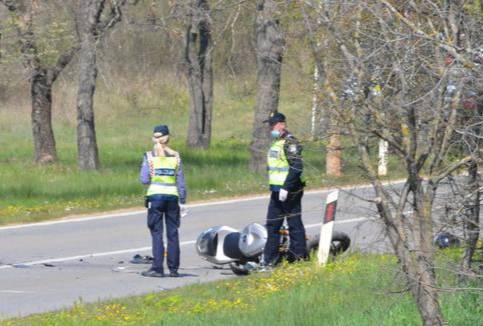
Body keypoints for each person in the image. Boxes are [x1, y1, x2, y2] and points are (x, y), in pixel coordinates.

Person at [139, 125, 187, 278]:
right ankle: (174, 269)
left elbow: (144, 179)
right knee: (173, 233)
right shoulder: (176, 157)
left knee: (157, 233)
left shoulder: (149, 156)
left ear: (154, 138)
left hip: (155, 197)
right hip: (172, 197)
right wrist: (183, 200)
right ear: (168, 137)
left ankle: (157, 268)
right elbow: (181, 182)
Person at [262, 112, 307, 267]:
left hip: (291, 190)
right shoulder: (277, 142)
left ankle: (299, 257)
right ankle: (270, 259)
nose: (270, 128)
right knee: (272, 225)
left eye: (272, 124)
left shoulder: (290, 142)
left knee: (294, 224)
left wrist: (286, 188)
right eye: (270, 125)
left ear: (281, 124)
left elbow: (296, 167)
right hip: (276, 191)